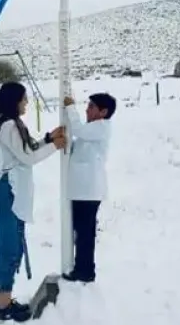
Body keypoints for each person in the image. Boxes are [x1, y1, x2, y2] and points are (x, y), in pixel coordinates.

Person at [0, 82, 66, 322]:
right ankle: (4, 306)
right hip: (7, 190)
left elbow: (21, 150)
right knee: (8, 246)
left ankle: (4, 300)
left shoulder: (0, 122)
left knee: (7, 243)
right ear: (14, 101)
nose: (27, 103)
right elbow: (27, 157)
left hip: (2, 188)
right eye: (24, 99)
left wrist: (47, 138)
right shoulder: (8, 125)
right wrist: (55, 147)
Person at [60, 92, 116, 283]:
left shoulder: (100, 127)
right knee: (81, 231)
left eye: (91, 106)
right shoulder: (93, 130)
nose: (87, 109)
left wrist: (70, 108)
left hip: (89, 190)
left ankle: (85, 271)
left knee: (84, 232)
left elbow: (78, 130)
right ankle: (82, 267)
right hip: (82, 190)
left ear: (103, 111)